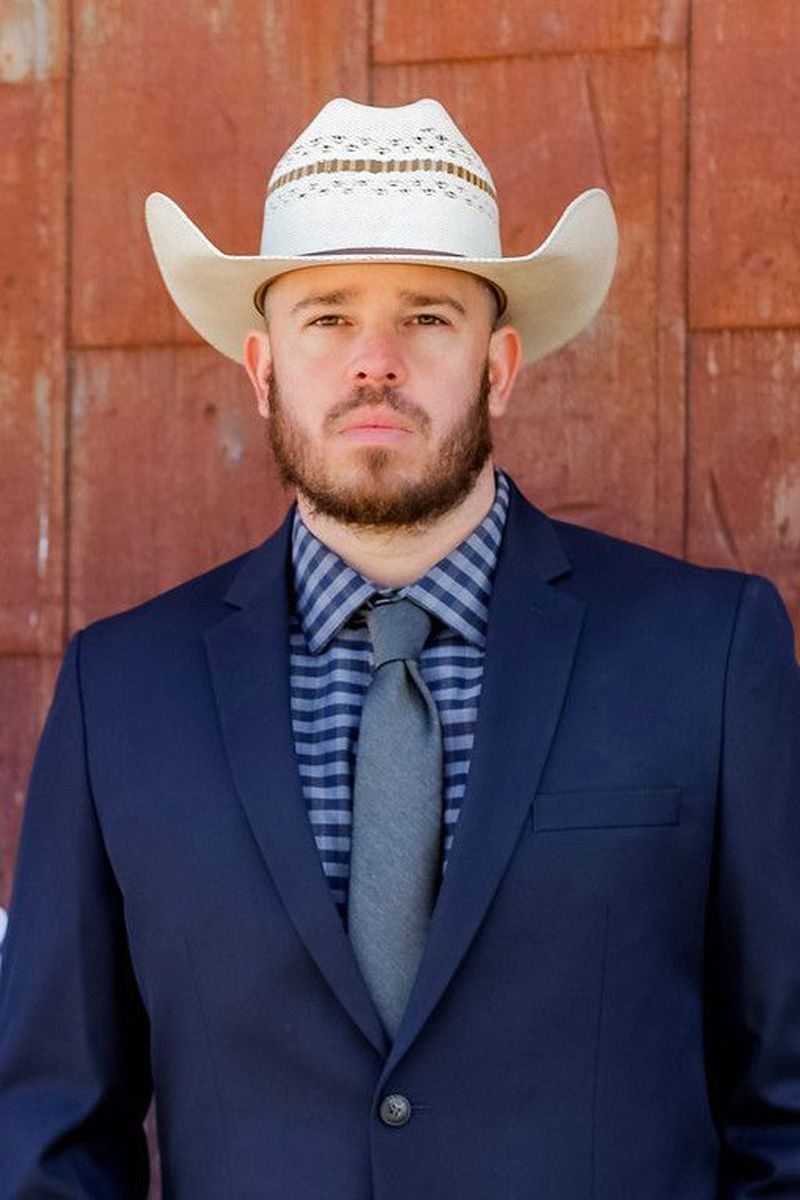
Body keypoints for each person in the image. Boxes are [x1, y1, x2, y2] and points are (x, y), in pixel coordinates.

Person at [0, 96, 798, 1200]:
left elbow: (787, 1104)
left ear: (499, 365)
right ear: (261, 366)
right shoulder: (119, 694)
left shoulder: (705, 656)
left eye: (426, 317)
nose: (374, 362)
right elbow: (50, 1127)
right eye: (325, 317)